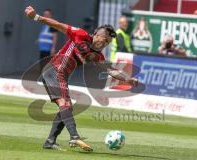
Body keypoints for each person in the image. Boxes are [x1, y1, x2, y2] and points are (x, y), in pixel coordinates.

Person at [25, 6, 138, 152]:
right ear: (96, 35)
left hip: (60, 74)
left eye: (107, 43)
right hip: (55, 70)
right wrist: (36, 17)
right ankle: (74, 137)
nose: (104, 45)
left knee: (66, 106)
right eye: (103, 40)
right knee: (65, 103)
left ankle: (50, 141)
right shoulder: (80, 34)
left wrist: (128, 80)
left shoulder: (98, 56)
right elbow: (58, 25)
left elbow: (112, 71)